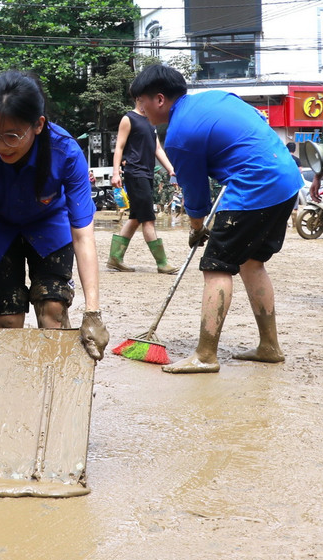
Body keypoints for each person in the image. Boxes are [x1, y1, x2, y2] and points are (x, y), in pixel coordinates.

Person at [130, 64, 303, 374]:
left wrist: (197, 229)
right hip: (286, 179)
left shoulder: (179, 134)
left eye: (141, 102)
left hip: (255, 186)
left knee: (216, 267)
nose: (139, 111)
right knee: (251, 262)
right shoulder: (215, 98)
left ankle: (206, 354)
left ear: (158, 99)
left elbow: (196, 198)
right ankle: (269, 347)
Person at [0, 70, 108, 360]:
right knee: (7, 318)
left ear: (38, 125)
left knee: (52, 308)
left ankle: (53, 385)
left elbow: (83, 236)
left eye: (12, 135)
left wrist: (93, 311)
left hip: (49, 225)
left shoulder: (66, 151)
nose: (0, 144)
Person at [107, 100, 179, 274]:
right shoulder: (128, 118)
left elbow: (157, 149)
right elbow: (119, 147)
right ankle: (162, 263)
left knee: (136, 217)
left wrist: (170, 169)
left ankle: (115, 258)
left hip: (147, 174)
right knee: (148, 218)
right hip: (135, 172)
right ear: (139, 97)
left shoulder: (150, 120)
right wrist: (116, 172)